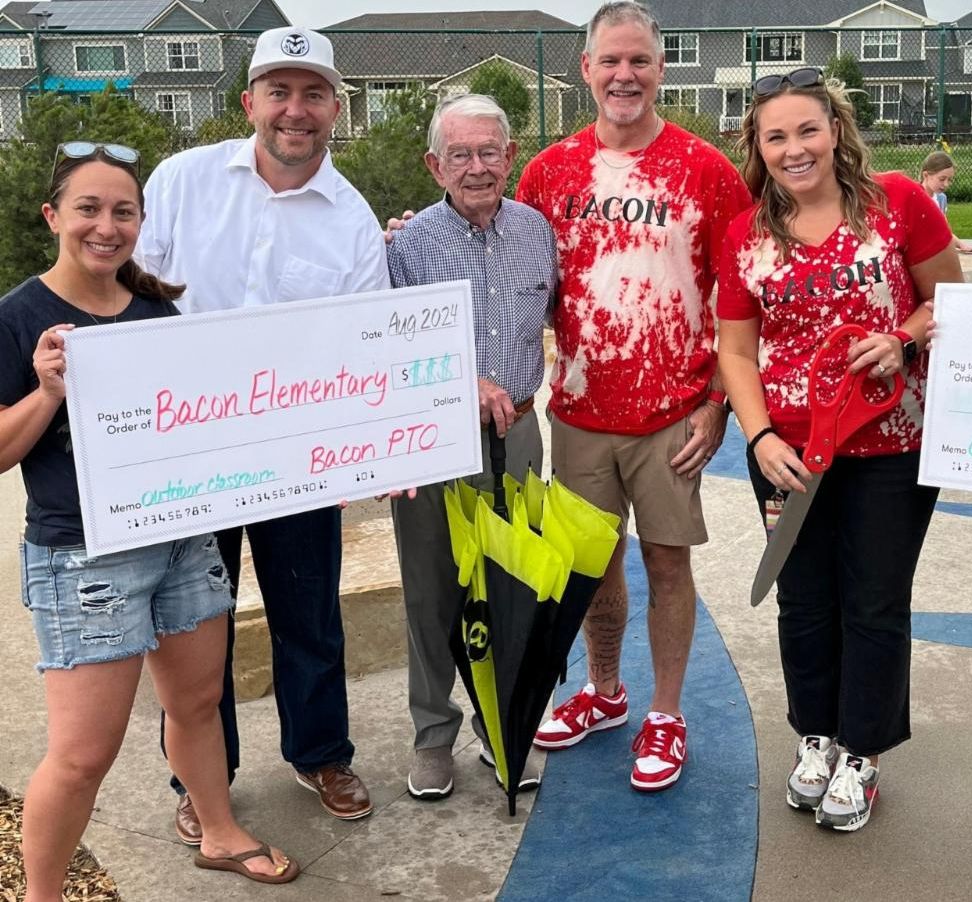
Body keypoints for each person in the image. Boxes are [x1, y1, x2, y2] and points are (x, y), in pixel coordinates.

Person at [0, 142, 299, 901]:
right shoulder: (19, 317)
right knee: (81, 755)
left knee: (197, 703)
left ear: (141, 221)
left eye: (122, 211)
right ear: (53, 217)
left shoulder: (156, 311)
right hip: (85, 559)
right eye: (89, 209)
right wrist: (47, 392)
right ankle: (41, 896)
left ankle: (219, 831)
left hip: (181, 540)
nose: (107, 225)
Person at [135, 26, 389, 839]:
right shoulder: (181, 180)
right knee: (191, 620)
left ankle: (320, 752)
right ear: (248, 103)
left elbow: (363, 341)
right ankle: (200, 778)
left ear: (336, 109)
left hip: (296, 458)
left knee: (307, 609)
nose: (295, 109)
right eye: (279, 91)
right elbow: (133, 293)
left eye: (313, 93)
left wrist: (367, 447)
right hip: (188, 448)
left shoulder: (351, 219)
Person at [716, 68, 963, 831]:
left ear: (835, 131)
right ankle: (817, 738)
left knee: (875, 602)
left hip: (893, 447)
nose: (795, 149)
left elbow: (948, 300)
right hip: (793, 455)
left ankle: (864, 752)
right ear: (758, 147)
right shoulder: (745, 234)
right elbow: (734, 350)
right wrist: (757, 436)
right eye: (776, 136)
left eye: (807, 130)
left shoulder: (896, 202)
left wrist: (902, 338)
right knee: (804, 602)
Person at [515, 0, 751, 792]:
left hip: (673, 413)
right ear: (585, 70)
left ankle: (668, 711)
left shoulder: (705, 170)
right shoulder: (548, 173)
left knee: (668, 562)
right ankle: (606, 692)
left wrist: (718, 397)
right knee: (595, 567)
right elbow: (520, 279)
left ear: (660, 69)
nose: (625, 75)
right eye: (610, 61)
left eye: (640, 61)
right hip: (582, 409)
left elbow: (740, 296)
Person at [386, 93, 557, 800]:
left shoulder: (537, 232)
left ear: (511, 156)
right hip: (432, 437)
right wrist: (467, 380)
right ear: (435, 164)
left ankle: (503, 725)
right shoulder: (409, 245)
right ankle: (433, 736)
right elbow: (390, 348)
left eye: (490, 151)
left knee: (516, 589)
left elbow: (553, 318)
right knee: (433, 593)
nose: (477, 166)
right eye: (460, 154)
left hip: (518, 432)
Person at [918, 151, 972, 253]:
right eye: (942, 179)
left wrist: (962, 245)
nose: (946, 184)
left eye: (949, 180)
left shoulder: (941, 199)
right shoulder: (914, 197)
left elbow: (944, 231)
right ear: (926, 175)